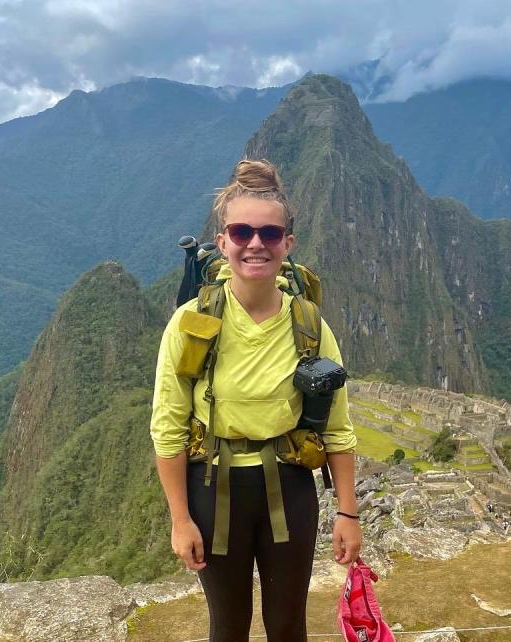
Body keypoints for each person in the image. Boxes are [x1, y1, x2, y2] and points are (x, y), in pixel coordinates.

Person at [151, 159, 361, 642]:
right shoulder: (189, 323)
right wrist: (180, 521)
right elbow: (168, 428)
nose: (255, 244)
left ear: (287, 243)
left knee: (288, 625)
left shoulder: (309, 325)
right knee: (228, 627)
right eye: (241, 231)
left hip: (289, 486)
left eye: (269, 233)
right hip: (212, 488)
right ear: (222, 241)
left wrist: (347, 514)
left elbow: (338, 427)